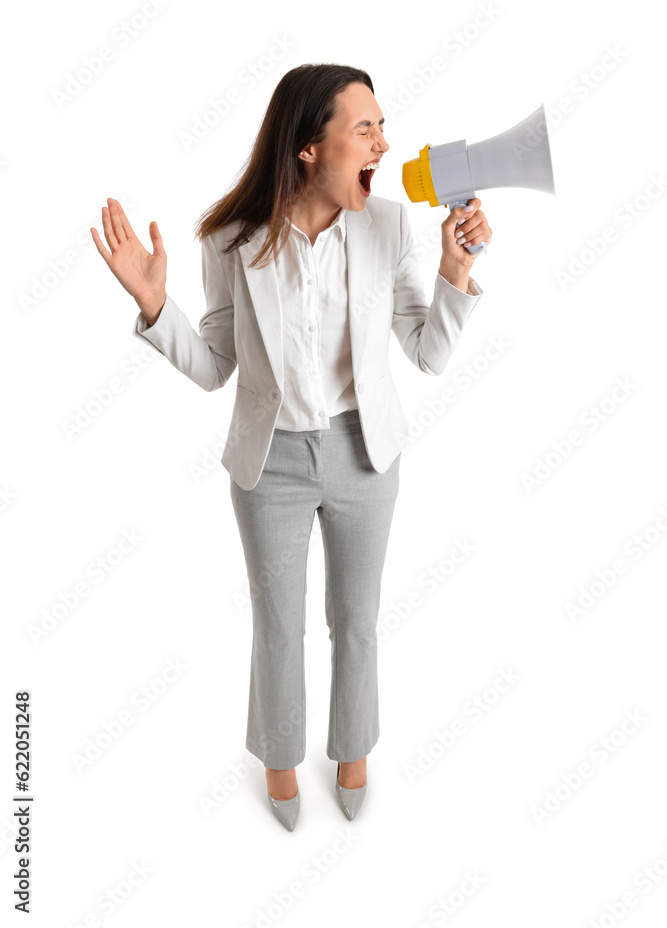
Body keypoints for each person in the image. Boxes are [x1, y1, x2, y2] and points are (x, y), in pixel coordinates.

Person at [90, 63, 492, 832]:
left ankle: (352, 750)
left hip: (364, 454)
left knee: (359, 618)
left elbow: (427, 353)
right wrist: (154, 306)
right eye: (365, 128)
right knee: (278, 622)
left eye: (382, 124)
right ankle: (278, 760)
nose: (384, 142)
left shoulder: (389, 223)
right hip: (268, 462)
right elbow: (214, 367)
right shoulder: (229, 237)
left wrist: (453, 274)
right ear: (310, 146)